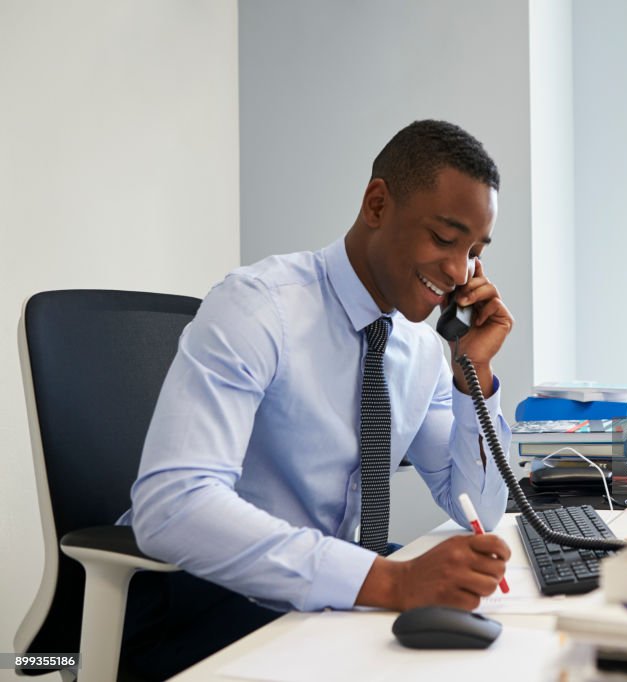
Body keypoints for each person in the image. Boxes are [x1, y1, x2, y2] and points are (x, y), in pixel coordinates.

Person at [116, 120, 514, 678]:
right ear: (377, 204)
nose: (457, 272)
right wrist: (392, 581)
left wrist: (476, 375)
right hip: (195, 601)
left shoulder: (420, 350)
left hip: (308, 599)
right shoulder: (260, 308)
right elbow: (173, 506)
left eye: (474, 251)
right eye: (445, 239)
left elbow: (477, 506)